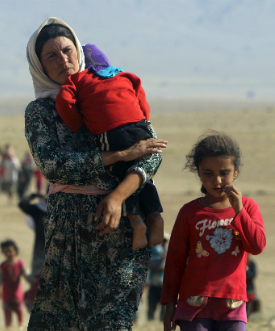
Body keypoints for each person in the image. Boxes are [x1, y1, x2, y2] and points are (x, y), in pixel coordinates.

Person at [25, 17, 167, 330]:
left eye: (67, 50)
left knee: (112, 323)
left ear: (78, 51)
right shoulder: (41, 111)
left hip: (123, 233)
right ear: (40, 65)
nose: (63, 60)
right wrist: (117, 156)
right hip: (69, 239)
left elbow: (150, 150)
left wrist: (117, 196)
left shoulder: (111, 88)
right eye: (52, 56)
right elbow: (53, 165)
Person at [56, 44, 164, 250]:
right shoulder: (125, 75)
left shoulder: (78, 79)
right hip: (140, 127)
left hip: (111, 131)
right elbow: (142, 99)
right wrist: (142, 122)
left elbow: (64, 101)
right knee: (142, 173)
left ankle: (137, 222)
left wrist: (77, 123)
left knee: (120, 172)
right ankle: (155, 216)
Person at [161, 132, 266, 331]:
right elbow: (174, 261)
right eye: (208, 173)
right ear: (199, 173)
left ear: (235, 172)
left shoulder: (249, 207)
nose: (217, 180)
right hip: (193, 304)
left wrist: (239, 211)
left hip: (233, 305)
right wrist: (168, 305)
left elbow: (257, 245)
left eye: (224, 172)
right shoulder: (189, 212)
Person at [18, 193, 48, 311]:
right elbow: (23, 204)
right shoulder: (38, 211)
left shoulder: (63, 208)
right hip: (40, 253)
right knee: (37, 282)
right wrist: (34, 195)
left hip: (59, 252)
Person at [0, 240, 30, 329]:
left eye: (10, 251)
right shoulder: (2, 266)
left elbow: (28, 277)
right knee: (8, 323)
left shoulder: (20, 264)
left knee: (20, 322)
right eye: (5, 251)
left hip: (17, 297)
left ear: (15, 251)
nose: (8, 254)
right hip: (6, 297)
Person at [147, 235, 168, 321]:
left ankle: (161, 321)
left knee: (164, 308)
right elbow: (152, 266)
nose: (163, 243)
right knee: (152, 306)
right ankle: (150, 320)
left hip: (163, 285)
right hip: (154, 284)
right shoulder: (154, 253)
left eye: (164, 241)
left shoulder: (168, 253)